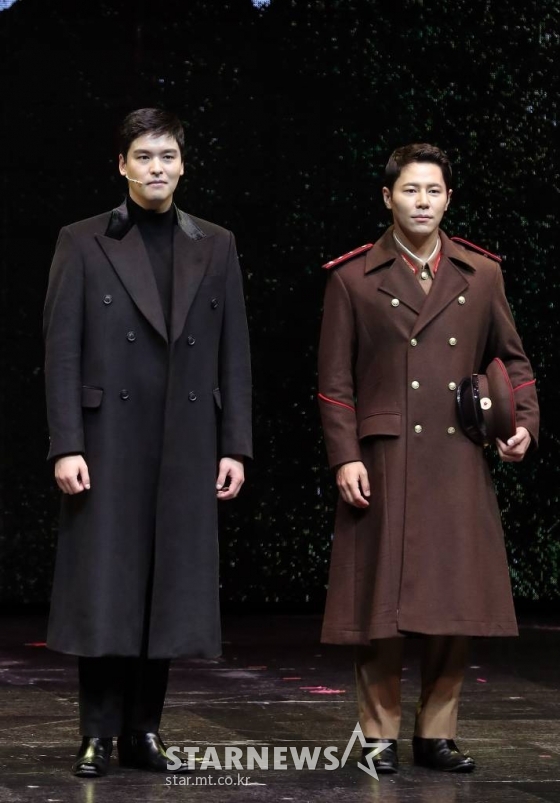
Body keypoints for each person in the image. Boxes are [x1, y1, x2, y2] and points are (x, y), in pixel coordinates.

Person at [43, 108, 252, 777]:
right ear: (122, 165)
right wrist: (66, 443)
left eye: (167, 156)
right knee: (107, 585)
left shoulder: (215, 243)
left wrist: (234, 445)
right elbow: (61, 352)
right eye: (143, 156)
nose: (156, 167)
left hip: (184, 441)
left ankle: (143, 731)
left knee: (167, 587)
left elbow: (234, 353)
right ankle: (97, 733)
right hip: (108, 441)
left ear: (183, 165)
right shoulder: (83, 241)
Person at [317, 143, 538, 774]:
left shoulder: (481, 273)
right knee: (379, 608)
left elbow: (514, 362)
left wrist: (522, 425)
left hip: (456, 454)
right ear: (387, 198)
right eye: (410, 190)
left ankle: (437, 734)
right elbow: (334, 383)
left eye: (433, 191)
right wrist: (345, 456)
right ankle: (378, 735)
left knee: (451, 599)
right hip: (384, 455)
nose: (422, 202)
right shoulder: (352, 278)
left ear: (448, 199)